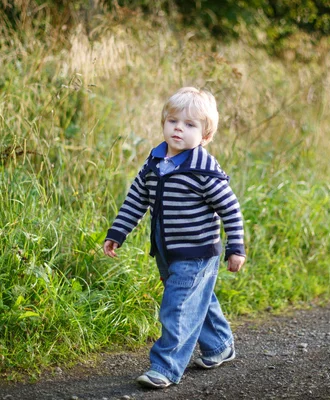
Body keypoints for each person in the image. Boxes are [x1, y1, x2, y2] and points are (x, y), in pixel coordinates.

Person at [103, 87, 246, 389]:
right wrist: (118, 232)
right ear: (164, 123)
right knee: (196, 299)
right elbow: (136, 199)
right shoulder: (155, 161)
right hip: (167, 251)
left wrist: (236, 247)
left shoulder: (203, 169)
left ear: (205, 136)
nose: (179, 128)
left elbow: (231, 209)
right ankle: (220, 345)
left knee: (177, 306)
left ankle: (165, 368)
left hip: (197, 251)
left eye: (190, 125)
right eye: (173, 121)